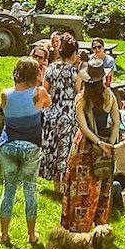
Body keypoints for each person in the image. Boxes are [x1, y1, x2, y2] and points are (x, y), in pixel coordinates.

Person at [61, 59, 120, 232]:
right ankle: (99, 229)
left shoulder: (81, 98)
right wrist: (110, 144)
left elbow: (83, 127)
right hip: (105, 146)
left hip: (86, 148)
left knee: (82, 188)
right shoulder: (109, 95)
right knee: (102, 186)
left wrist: (99, 143)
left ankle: (78, 228)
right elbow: (116, 122)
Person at [0, 56, 51, 246]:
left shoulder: (5, 94)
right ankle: (31, 235)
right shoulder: (39, 93)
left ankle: (3, 234)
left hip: (8, 144)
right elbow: (48, 104)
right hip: (31, 145)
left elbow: (5, 111)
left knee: (8, 188)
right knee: (30, 189)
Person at [39, 35, 82, 185]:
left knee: (52, 146)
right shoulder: (75, 72)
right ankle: (62, 182)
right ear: (74, 53)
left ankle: (54, 181)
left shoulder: (50, 68)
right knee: (65, 148)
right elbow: (78, 92)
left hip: (51, 112)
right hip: (68, 113)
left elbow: (45, 89)